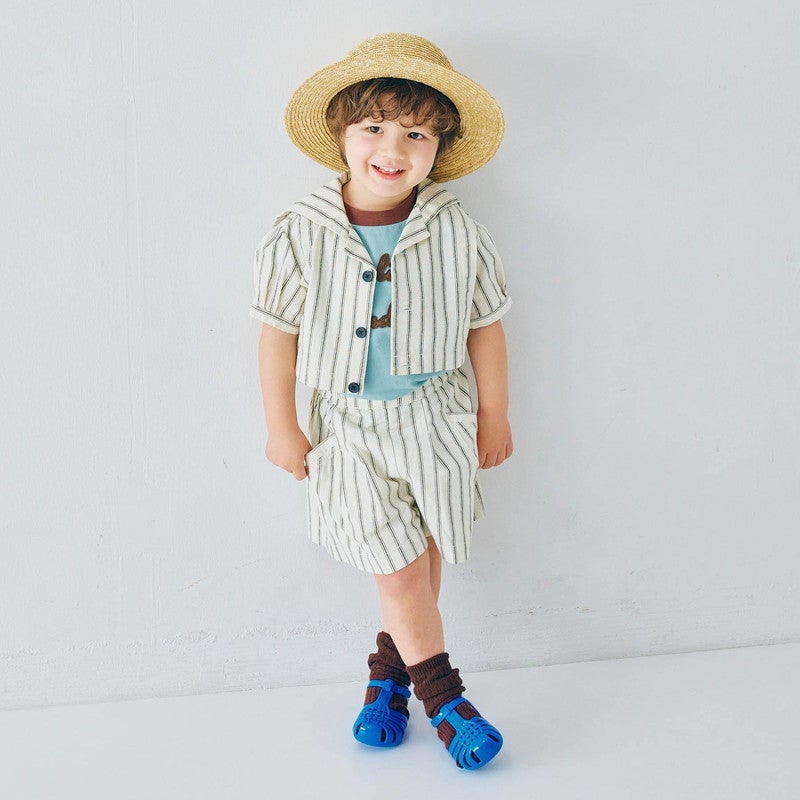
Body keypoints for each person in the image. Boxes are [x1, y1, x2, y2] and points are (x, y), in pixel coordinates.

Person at [251, 33, 513, 771]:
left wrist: (494, 414)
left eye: (416, 134)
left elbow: (486, 325)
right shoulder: (301, 232)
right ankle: (447, 701)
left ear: (439, 147)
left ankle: (385, 682)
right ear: (342, 133)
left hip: (436, 419)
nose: (392, 149)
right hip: (349, 429)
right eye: (373, 127)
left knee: (422, 563)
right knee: (395, 571)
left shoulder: (458, 231)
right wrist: (282, 426)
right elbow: (276, 337)